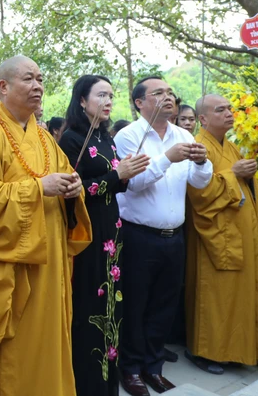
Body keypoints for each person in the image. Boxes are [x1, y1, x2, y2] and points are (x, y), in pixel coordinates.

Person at [0, 55, 92, 396]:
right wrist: (37, 188)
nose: (38, 86)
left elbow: (62, 177)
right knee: (14, 359)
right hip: (13, 269)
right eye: (28, 79)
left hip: (50, 265)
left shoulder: (45, 138)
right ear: (2, 88)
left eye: (40, 79)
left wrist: (72, 189)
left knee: (50, 345)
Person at [114, 76, 213, 396]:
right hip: (139, 236)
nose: (168, 97)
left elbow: (199, 182)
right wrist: (168, 157)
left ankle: (154, 368)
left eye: (170, 92)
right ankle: (130, 370)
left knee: (164, 306)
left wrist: (201, 162)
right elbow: (134, 182)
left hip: (174, 236)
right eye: (158, 93)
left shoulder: (183, 133)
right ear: (139, 103)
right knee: (135, 304)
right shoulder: (129, 136)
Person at [59, 75, 150, 396]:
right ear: (82, 100)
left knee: (114, 302)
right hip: (89, 232)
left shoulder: (106, 138)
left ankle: (109, 381)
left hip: (113, 231)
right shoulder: (70, 140)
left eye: (111, 95)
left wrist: (127, 171)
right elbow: (75, 190)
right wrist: (117, 174)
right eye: (101, 95)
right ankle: (87, 383)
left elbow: (113, 182)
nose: (108, 101)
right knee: (90, 304)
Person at [184, 94, 258, 373]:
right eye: (220, 110)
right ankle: (205, 352)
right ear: (204, 119)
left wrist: (246, 174)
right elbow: (200, 195)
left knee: (238, 296)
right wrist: (234, 174)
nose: (229, 114)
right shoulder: (198, 147)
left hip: (238, 235)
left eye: (230, 108)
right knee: (215, 297)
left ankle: (236, 350)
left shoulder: (230, 147)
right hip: (215, 238)